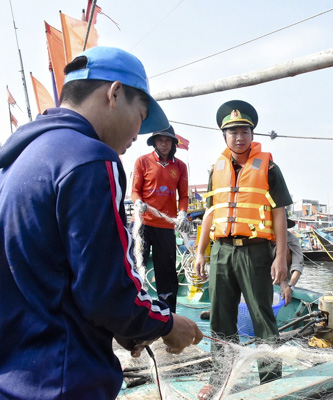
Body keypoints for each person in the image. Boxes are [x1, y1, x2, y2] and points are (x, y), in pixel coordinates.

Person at [0, 46, 203, 400]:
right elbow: (106, 289)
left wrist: (132, 331)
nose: (137, 136)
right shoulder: (90, 159)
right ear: (114, 93)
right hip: (65, 379)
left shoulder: (18, 157)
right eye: (141, 117)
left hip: (16, 372)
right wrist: (165, 324)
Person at [194, 100, 292, 399]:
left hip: (255, 252)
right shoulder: (216, 169)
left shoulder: (269, 168)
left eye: (245, 131)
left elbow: (279, 213)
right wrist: (201, 252)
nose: (239, 137)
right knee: (221, 318)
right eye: (233, 131)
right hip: (222, 250)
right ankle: (219, 376)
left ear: (252, 134)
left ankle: (270, 379)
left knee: (262, 316)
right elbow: (211, 212)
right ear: (224, 136)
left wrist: (281, 256)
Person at [131, 124, 191, 312]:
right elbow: (134, 190)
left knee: (166, 272)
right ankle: (134, 312)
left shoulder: (180, 166)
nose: (164, 144)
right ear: (154, 143)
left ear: (174, 143)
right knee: (135, 267)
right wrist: (137, 202)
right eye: (160, 140)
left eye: (167, 140)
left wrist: (182, 212)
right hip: (142, 224)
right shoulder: (142, 161)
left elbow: (184, 196)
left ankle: (168, 315)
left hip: (166, 226)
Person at [277, 219, 304, 305]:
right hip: (265, 276)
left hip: (283, 277)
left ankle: (282, 280)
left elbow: (298, 265)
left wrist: (290, 286)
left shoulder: (291, 239)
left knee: (285, 248)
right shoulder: (265, 236)